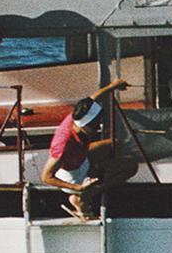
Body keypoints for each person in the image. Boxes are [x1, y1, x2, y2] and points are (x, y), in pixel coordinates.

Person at [42, 79, 138, 220]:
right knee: (131, 167)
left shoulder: (76, 117)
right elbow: (46, 177)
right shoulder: (62, 145)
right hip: (73, 176)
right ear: (85, 125)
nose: (98, 127)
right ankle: (83, 197)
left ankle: (96, 174)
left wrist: (113, 86)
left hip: (81, 158)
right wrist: (78, 188)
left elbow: (93, 98)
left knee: (115, 144)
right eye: (95, 125)